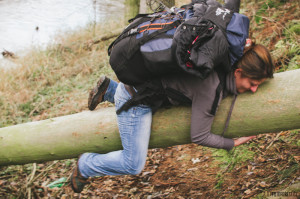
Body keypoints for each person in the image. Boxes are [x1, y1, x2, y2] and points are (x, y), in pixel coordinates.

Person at [70, 41, 274, 193]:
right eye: (253, 83)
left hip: (146, 86)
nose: (255, 90)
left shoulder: (223, 52)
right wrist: (233, 142)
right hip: (137, 99)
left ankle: (109, 90)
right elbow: (200, 135)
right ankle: (85, 165)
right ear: (238, 72)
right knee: (133, 163)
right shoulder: (212, 88)